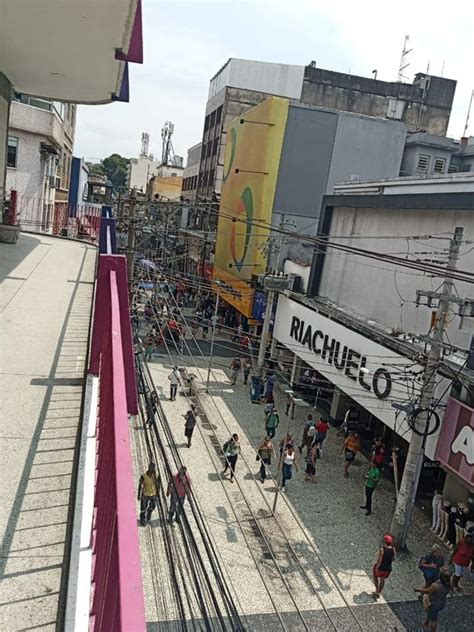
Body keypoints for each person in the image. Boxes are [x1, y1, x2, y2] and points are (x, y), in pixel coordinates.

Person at [372, 534, 396, 599]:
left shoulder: (382, 550)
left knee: (375, 576)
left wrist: (376, 567)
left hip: (380, 568)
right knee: (382, 580)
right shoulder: (393, 549)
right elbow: (394, 559)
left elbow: (380, 560)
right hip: (388, 569)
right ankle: (379, 592)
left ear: (384, 542)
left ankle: (376, 590)